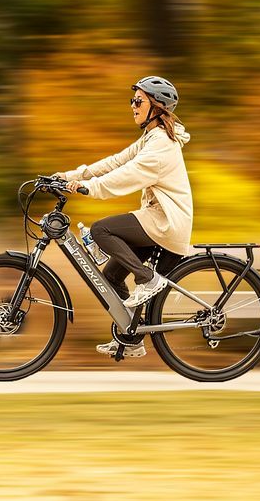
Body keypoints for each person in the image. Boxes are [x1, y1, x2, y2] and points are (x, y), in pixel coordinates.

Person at [57, 75, 194, 358]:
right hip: (156, 220)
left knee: (101, 230)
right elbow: (116, 161)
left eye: (138, 101)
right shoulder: (151, 138)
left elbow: (125, 176)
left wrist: (88, 188)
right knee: (110, 278)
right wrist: (69, 176)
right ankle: (132, 337)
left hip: (166, 223)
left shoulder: (160, 147)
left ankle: (149, 279)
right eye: (133, 100)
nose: (132, 105)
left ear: (156, 106)